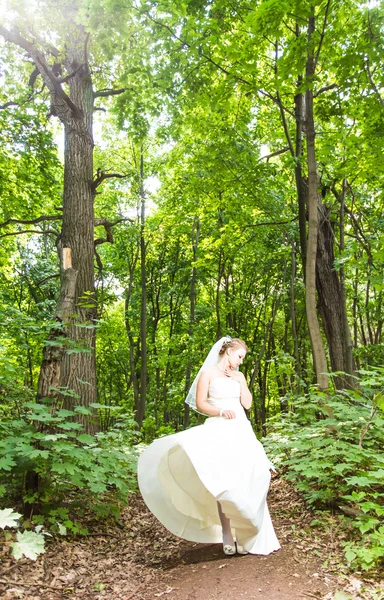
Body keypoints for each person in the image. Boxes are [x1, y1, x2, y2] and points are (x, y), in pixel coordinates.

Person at [138, 336, 280, 556]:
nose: (241, 361)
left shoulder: (239, 375)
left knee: (252, 477)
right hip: (219, 427)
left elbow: (248, 404)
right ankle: (226, 532)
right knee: (224, 481)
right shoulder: (208, 374)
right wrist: (221, 411)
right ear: (228, 351)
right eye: (240, 356)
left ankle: (246, 533)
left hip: (241, 429)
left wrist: (241, 381)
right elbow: (201, 403)